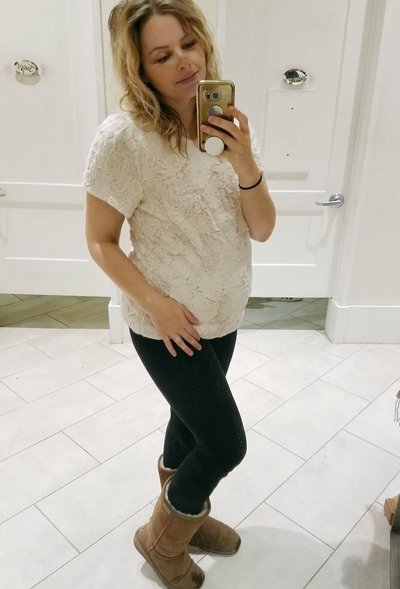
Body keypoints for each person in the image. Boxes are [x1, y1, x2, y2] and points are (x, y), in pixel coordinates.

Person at [83, 1, 276, 588]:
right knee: (224, 444)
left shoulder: (228, 125)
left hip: (224, 310)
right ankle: (163, 538)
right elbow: (100, 242)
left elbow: (262, 228)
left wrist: (245, 161)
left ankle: (184, 514)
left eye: (189, 44)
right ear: (139, 68)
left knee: (188, 427)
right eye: (162, 55)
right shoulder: (124, 139)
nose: (184, 63)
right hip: (167, 323)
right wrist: (157, 305)